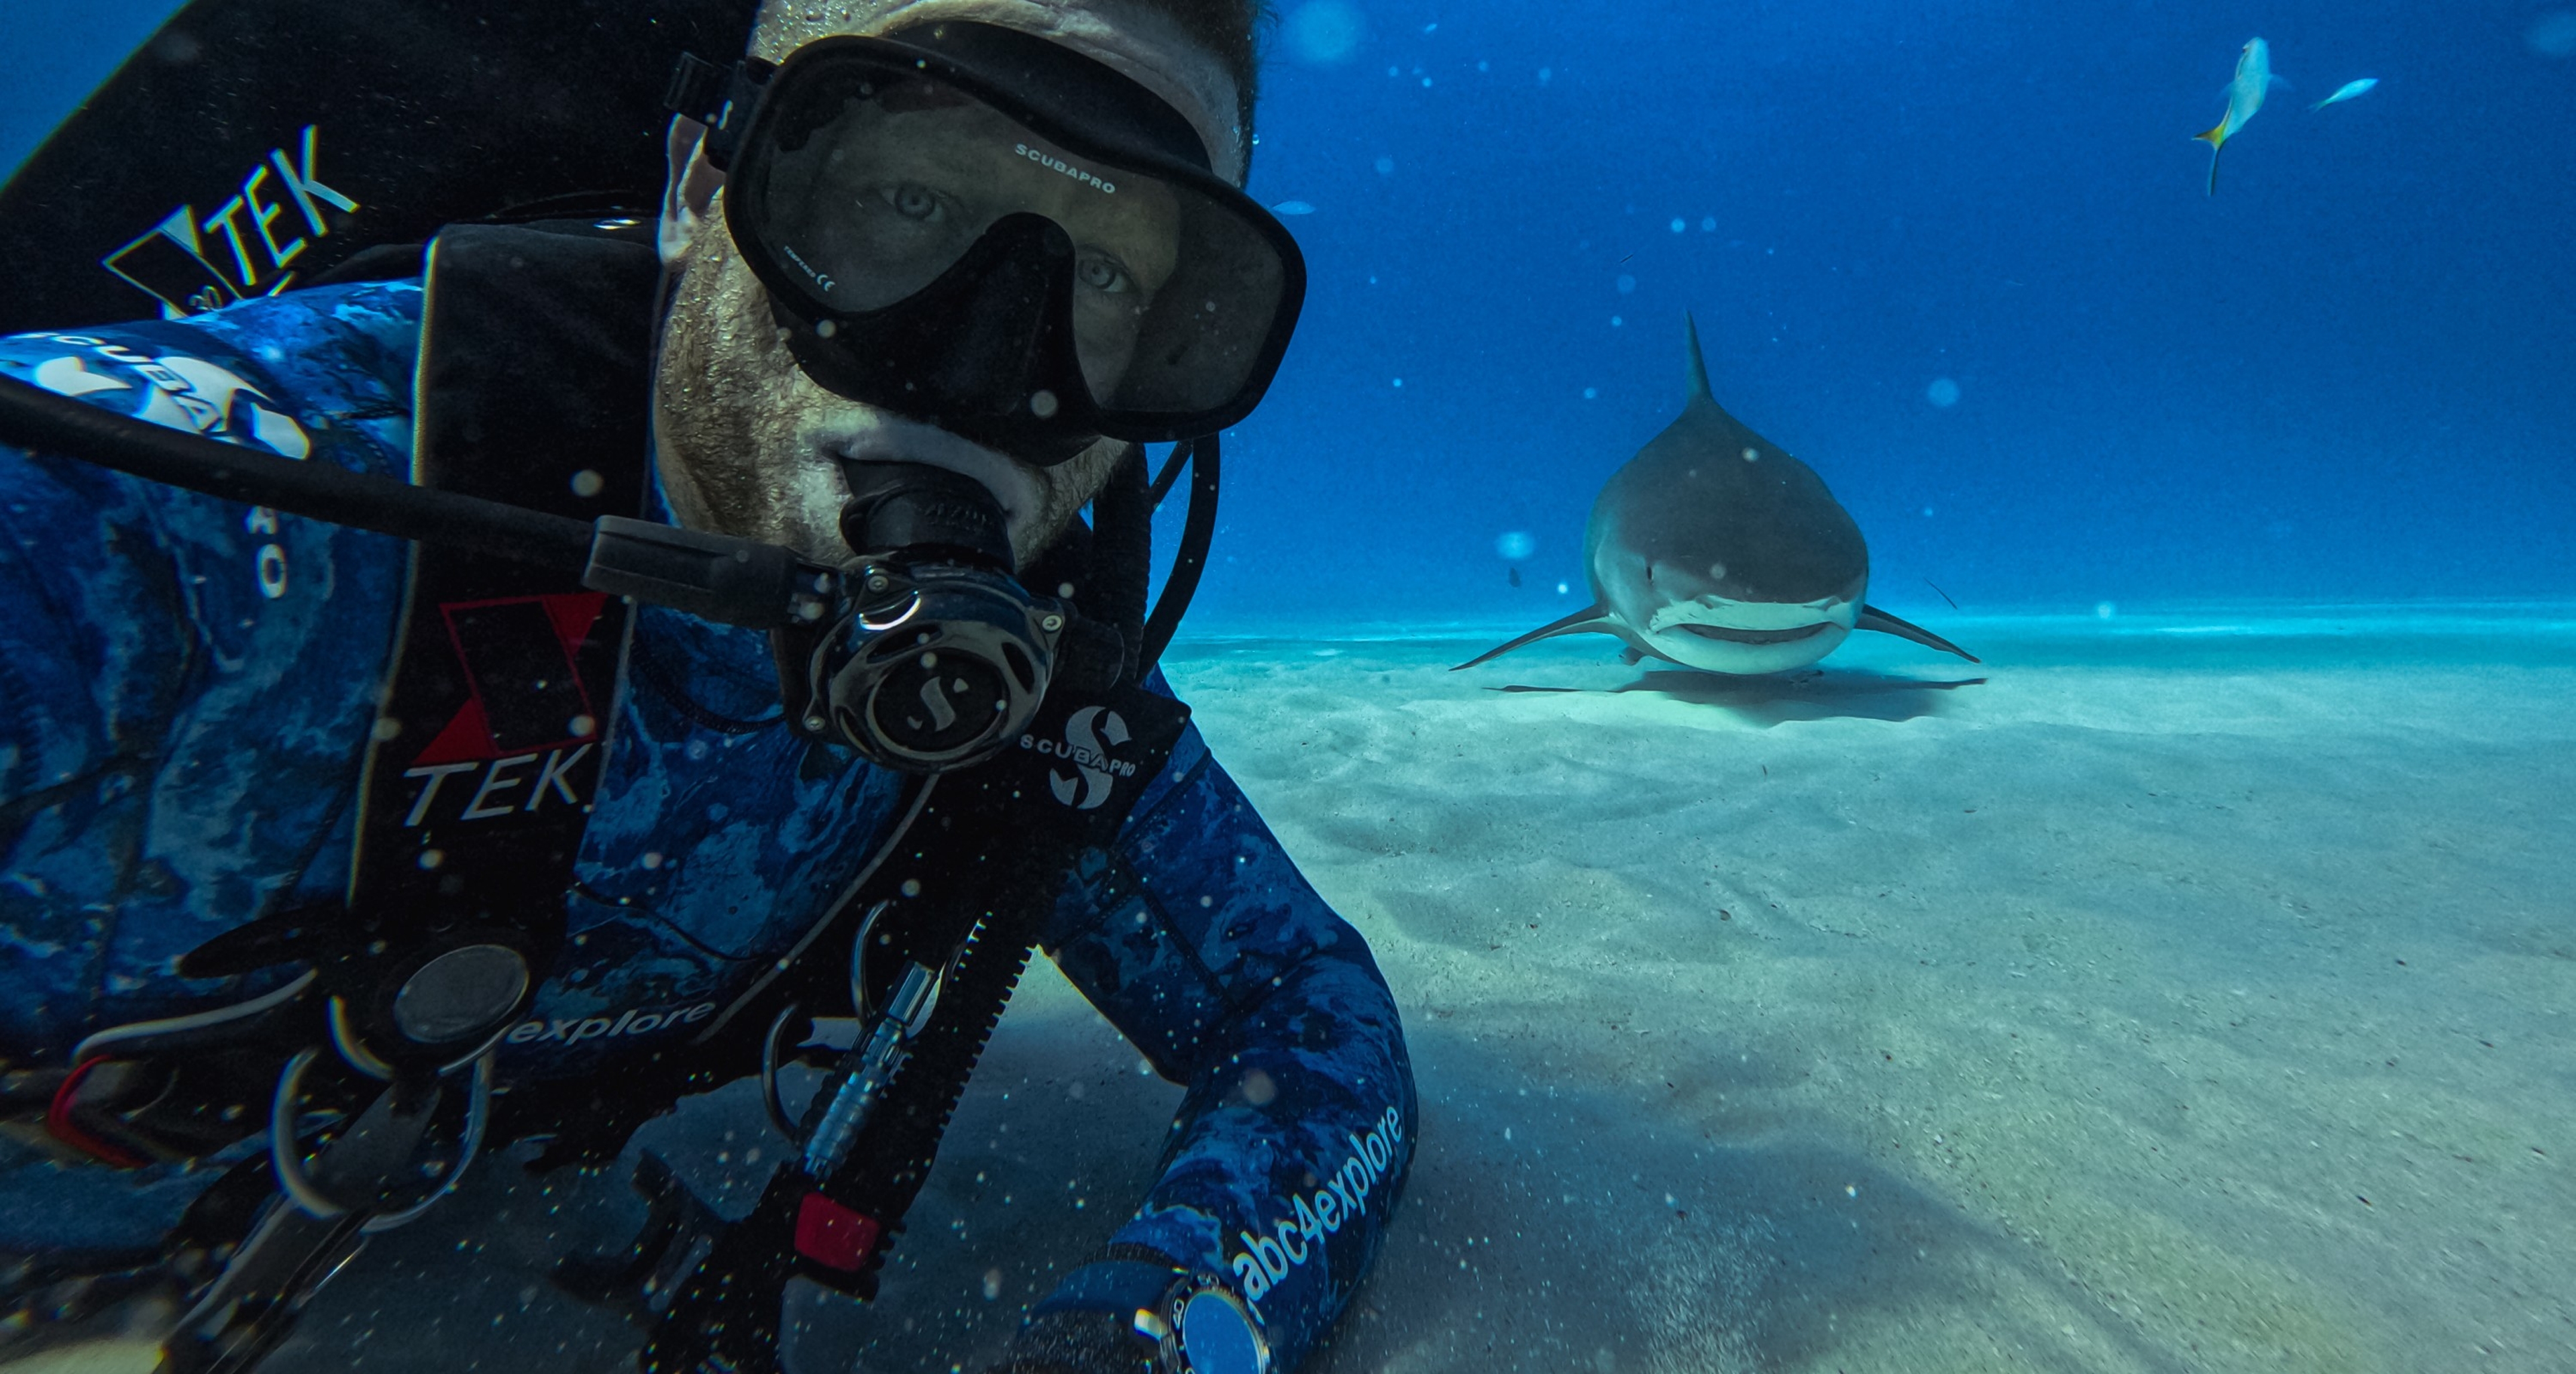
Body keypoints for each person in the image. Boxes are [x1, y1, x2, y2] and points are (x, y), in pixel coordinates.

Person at [0, 2, 1415, 1372]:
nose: (988, 362)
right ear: (702, 183)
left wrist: (1153, 1335)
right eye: (915, 199)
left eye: (1108, 278)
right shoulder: (231, 517)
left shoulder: (1017, 684)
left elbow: (1307, 1019)